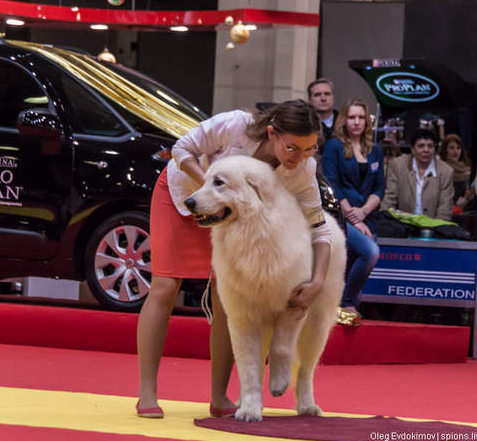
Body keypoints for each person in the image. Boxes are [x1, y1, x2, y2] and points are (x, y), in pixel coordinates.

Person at [136, 100, 332, 418]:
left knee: (228, 299)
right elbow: (181, 148)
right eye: (293, 148)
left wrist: (318, 281)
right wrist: (211, 186)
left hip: (229, 218)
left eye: (309, 149)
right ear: (272, 133)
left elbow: (320, 230)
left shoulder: (303, 170)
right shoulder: (235, 125)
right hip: (181, 197)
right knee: (165, 285)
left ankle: (219, 397)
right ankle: (147, 393)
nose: (300, 157)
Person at [322, 99, 384, 325]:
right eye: (351, 117)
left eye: (361, 117)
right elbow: (331, 183)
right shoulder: (334, 146)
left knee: (354, 265)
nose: (356, 122)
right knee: (371, 252)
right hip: (340, 214)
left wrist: (364, 212)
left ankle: (346, 313)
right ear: (344, 120)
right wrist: (353, 216)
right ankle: (344, 302)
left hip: (367, 217)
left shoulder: (375, 150)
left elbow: (380, 188)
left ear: (367, 121)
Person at [381, 129, 454, 221]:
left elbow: (445, 208)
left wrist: (434, 230)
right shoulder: (397, 166)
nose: (426, 150)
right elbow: (389, 200)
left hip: (433, 227)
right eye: (421, 146)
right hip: (401, 225)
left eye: (430, 146)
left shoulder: (446, 171)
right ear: (412, 149)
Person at [439, 134, 475, 213]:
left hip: (463, 212)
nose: (456, 152)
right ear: (445, 150)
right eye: (451, 148)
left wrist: (467, 198)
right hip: (445, 213)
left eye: (458, 148)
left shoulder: (466, 167)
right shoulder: (440, 168)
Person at [307, 78, 338, 152]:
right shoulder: (303, 123)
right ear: (309, 100)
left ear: (332, 98)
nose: (323, 98)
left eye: (327, 94)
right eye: (317, 95)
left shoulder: (345, 122)